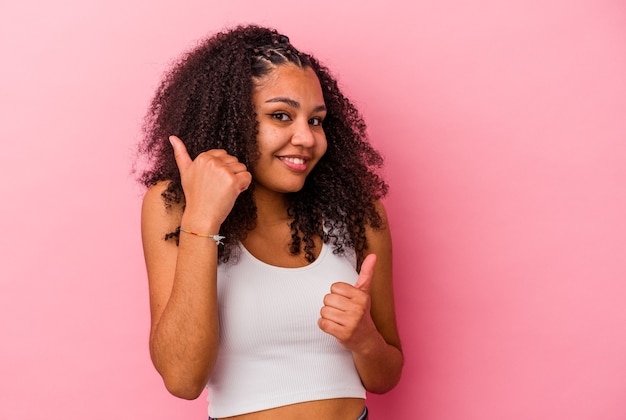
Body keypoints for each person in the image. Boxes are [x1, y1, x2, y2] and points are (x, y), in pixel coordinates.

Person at [137, 24, 403, 420]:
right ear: (232, 121)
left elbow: (386, 375)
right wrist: (203, 218)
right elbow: (182, 380)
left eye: (316, 120)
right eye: (281, 116)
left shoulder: (358, 212)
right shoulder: (175, 205)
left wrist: (364, 340)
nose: (307, 138)